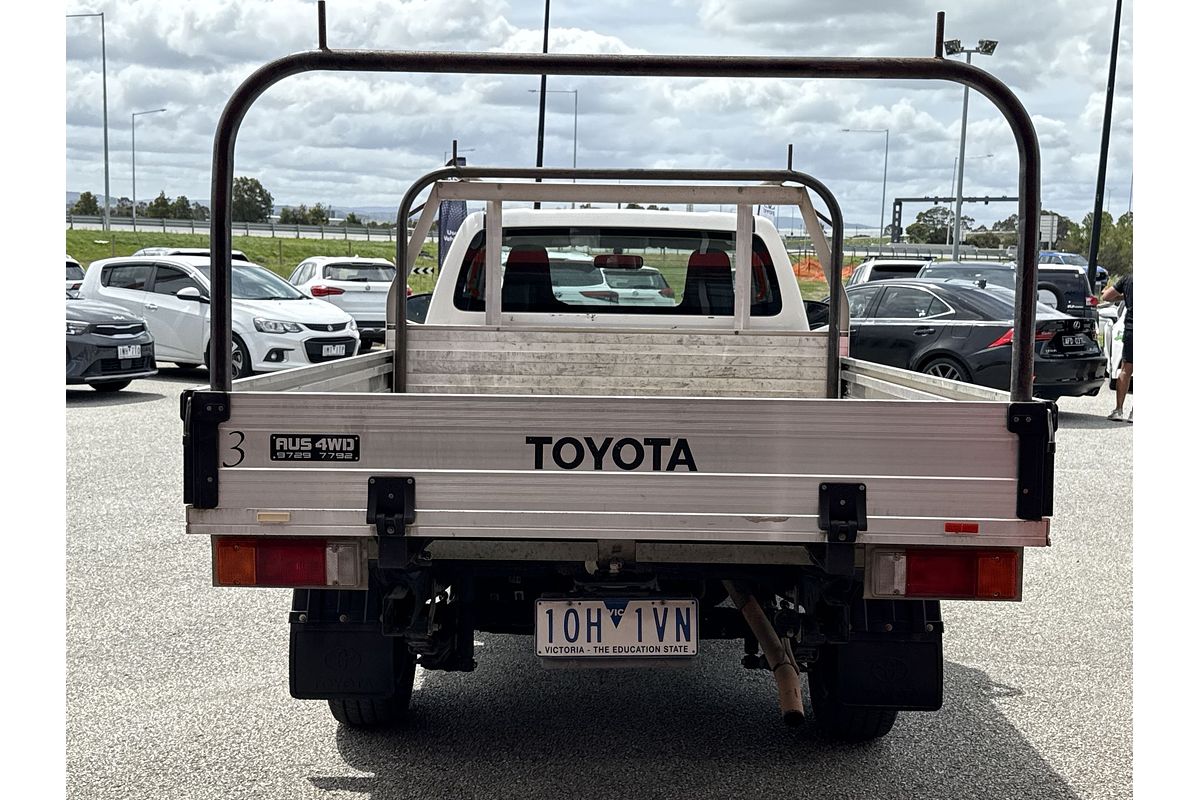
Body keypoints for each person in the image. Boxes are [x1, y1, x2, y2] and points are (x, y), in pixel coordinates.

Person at [1102, 273, 1132, 422]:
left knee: (1126, 369)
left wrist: (1123, 296)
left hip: (1132, 329)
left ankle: (1119, 409)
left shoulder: (1128, 279)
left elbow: (1106, 296)